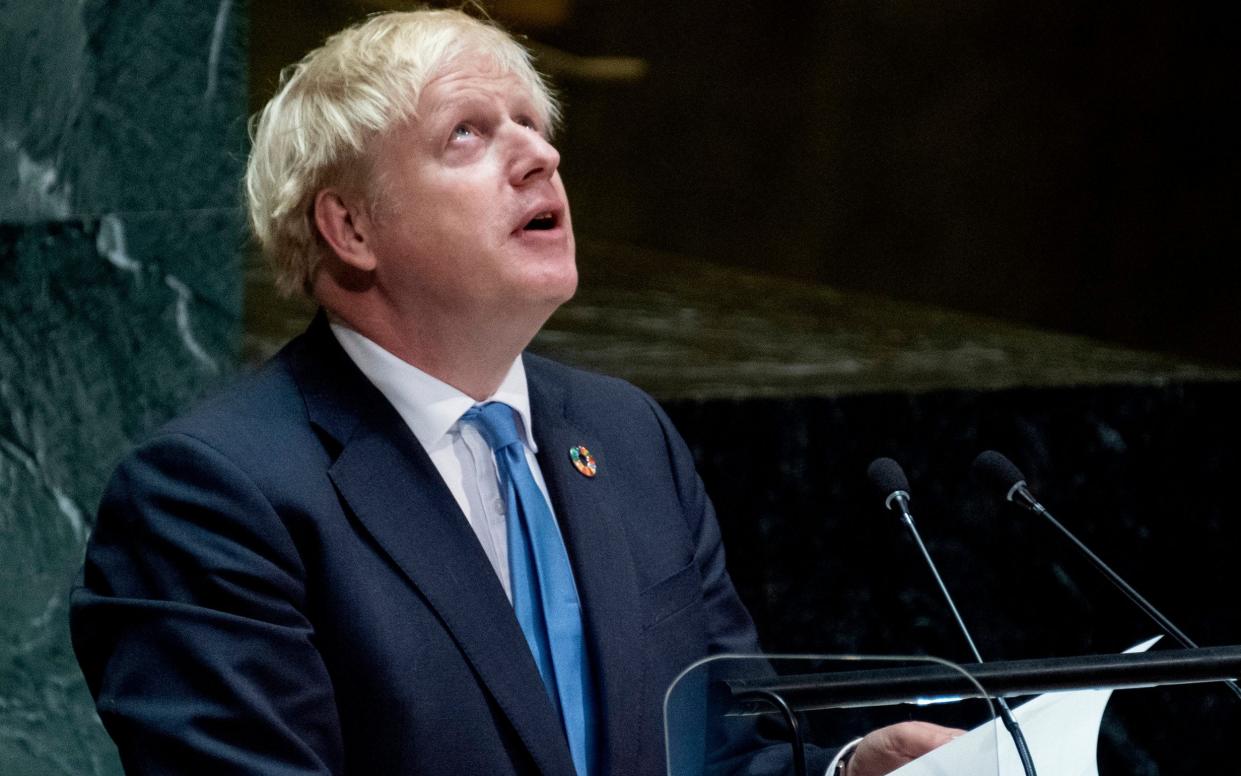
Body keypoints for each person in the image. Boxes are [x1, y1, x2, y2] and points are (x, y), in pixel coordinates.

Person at [70, 9, 957, 775]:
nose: (540, 154)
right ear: (350, 226)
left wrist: (845, 766)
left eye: (533, 125)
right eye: (468, 132)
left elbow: (718, 747)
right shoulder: (214, 495)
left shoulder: (623, 434)